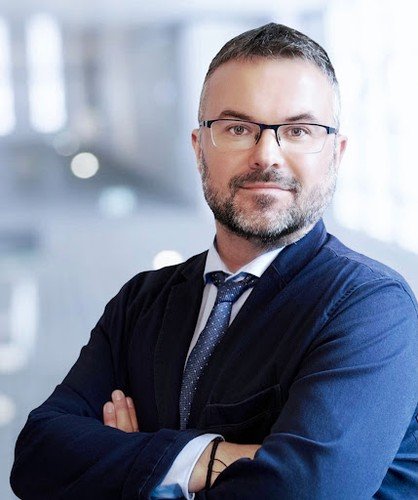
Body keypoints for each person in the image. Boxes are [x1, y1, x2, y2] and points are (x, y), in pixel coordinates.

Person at [10, 23, 418, 499]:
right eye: (238, 128)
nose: (267, 156)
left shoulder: (371, 308)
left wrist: (135, 465)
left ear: (336, 153)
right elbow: (37, 456)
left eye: (298, 130)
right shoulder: (142, 301)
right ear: (198, 147)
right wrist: (216, 458)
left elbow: (304, 490)